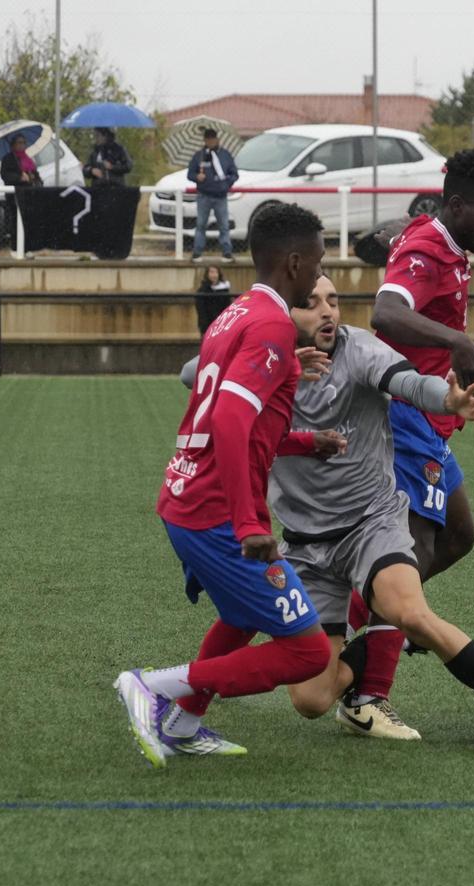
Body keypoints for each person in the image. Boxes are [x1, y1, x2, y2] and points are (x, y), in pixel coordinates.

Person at [269, 275, 474, 748]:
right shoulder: (265, 361)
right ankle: (376, 644)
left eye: (334, 301)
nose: (328, 311)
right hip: (306, 547)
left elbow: (408, 382)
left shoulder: (360, 350)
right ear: (283, 315)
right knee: (310, 699)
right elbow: (193, 373)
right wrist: (272, 361)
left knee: (410, 611)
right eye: (311, 304)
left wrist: (447, 399)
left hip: (371, 523)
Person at [114, 203, 341, 767]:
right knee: (308, 652)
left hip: (187, 496)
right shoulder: (271, 324)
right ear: (293, 262)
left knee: (241, 618)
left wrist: (304, 439)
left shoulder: (235, 313)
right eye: (316, 263)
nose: (319, 274)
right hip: (215, 513)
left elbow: (235, 416)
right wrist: (249, 521)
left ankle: (184, 722)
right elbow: (230, 421)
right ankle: (152, 686)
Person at [342, 149, 474, 720]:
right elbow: (388, 314)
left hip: (430, 419)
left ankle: (371, 614)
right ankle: (368, 693)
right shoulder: (427, 248)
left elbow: (412, 234)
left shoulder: (441, 237)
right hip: (402, 416)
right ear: (459, 205)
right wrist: (456, 342)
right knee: (411, 551)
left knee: (460, 536)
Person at [187, 128, 238, 263]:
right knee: (201, 224)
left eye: (213, 139)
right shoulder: (199, 156)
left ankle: (226, 252)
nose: (210, 142)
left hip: (221, 196)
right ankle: (197, 252)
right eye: (208, 139)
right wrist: (197, 177)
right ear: (204, 140)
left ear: (217, 139)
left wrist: (226, 184)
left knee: (223, 225)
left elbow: (234, 174)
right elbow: (190, 174)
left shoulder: (225, 155)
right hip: (204, 195)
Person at [0, 133, 41, 240]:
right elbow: (5, 175)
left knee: (28, 221)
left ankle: (27, 245)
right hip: (15, 196)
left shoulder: (28, 159)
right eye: (19, 143)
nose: (22, 145)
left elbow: (36, 176)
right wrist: (19, 178)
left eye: (24, 143)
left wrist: (33, 177)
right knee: (16, 221)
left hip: (28, 194)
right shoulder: (8, 159)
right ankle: (16, 245)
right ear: (13, 145)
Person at [194, 265, 233, 335]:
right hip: (207, 324)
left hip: (221, 324)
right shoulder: (203, 290)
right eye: (211, 272)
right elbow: (200, 309)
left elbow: (228, 307)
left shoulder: (224, 289)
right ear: (207, 274)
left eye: (216, 272)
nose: (214, 275)